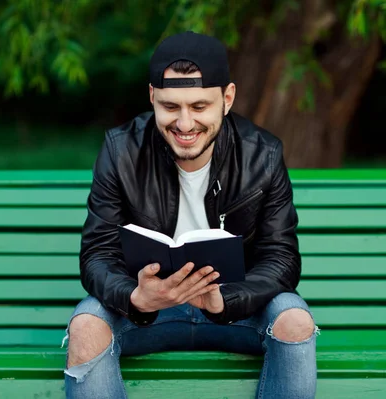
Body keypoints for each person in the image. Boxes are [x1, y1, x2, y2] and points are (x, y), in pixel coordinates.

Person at [62, 31, 319, 399]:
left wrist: (226, 300)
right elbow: (97, 255)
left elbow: (282, 259)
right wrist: (136, 298)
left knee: (295, 321)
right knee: (86, 324)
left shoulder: (263, 154)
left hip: (235, 309)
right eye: (170, 107)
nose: (184, 124)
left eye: (199, 107)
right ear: (152, 96)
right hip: (147, 311)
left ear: (226, 99)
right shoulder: (120, 151)